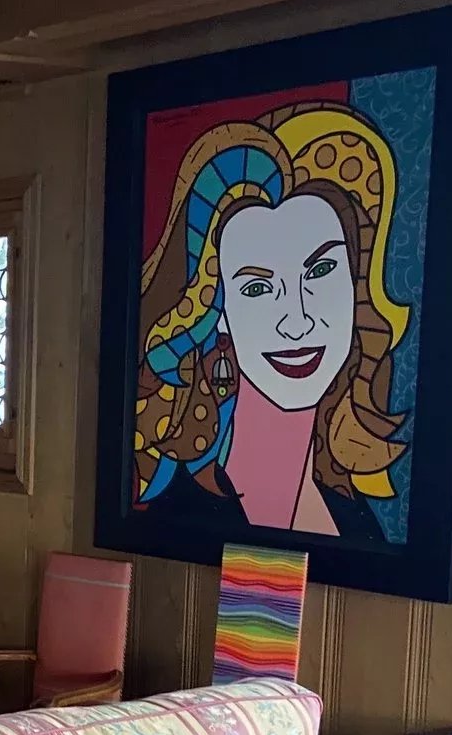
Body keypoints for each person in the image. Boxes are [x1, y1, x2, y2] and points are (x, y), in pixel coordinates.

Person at [132, 100, 409, 539]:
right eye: (257, 288)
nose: (296, 321)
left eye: (320, 271)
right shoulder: (183, 516)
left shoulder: (355, 522)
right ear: (219, 315)